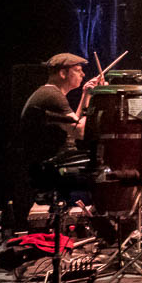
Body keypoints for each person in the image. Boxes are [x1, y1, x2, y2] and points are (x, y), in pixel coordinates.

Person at [13, 53, 103, 229]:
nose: (83, 74)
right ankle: (101, 226)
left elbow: (73, 125)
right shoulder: (52, 96)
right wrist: (97, 99)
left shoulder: (50, 93)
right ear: (62, 73)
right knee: (105, 171)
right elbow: (80, 131)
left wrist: (86, 95)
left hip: (47, 162)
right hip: (48, 166)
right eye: (78, 70)